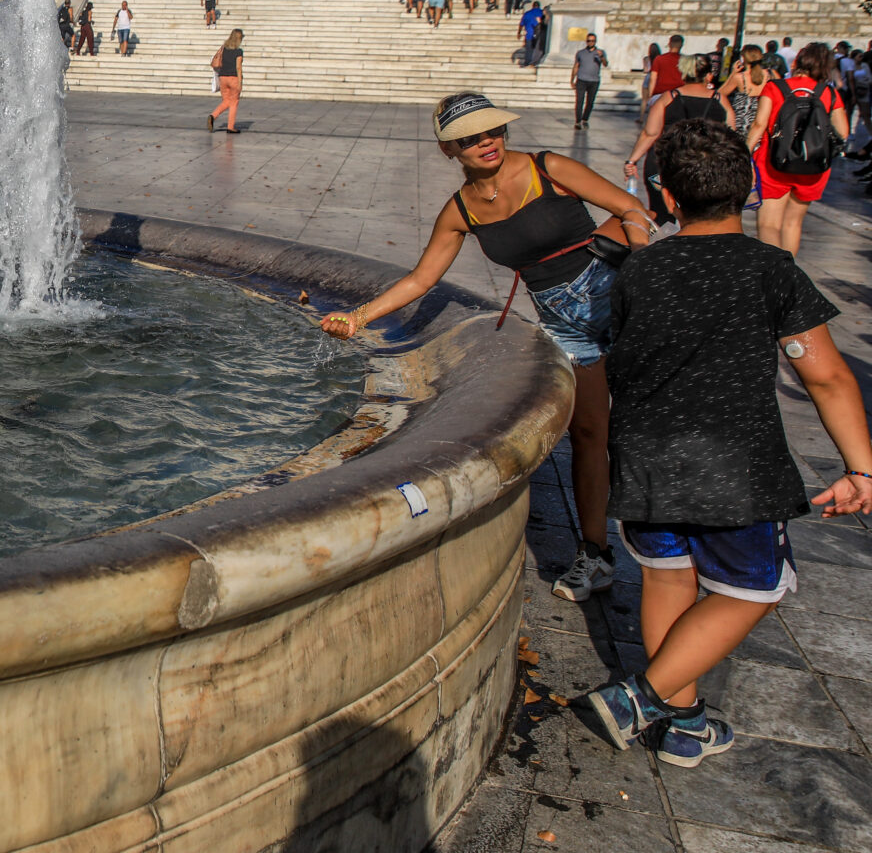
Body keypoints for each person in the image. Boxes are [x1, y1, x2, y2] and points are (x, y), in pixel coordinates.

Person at [585, 119, 872, 766]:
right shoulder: (771, 269)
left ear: (668, 195)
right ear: (746, 188)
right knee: (753, 590)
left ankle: (684, 721)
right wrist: (863, 469)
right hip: (734, 467)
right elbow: (824, 374)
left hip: (647, 459)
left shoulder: (640, 269)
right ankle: (644, 696)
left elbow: (619, 355)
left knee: (666, 579)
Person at [322, 94, 654, 599]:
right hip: (562, 320)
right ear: (449, 149)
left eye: (492, 131)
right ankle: (597, 553)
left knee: (653, 415)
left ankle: (678, 533)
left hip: (620, 290)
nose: (486, 143)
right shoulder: (459, 211)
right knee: (589, 433)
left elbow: (631, 208)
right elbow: (421, 278)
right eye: (471, 138)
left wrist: (645, 261)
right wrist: (357, 316)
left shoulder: (550, 169)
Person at [748, 41, 848, 256]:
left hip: (774, 162)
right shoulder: (829, 93)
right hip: (812, 165)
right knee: (793, 224)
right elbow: (844, 132)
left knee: (768, 225)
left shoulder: (775, 87)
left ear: (798, 61)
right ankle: (789, 275)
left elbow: (759, 125)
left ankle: (775, 274)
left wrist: (744, 154)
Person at [625, 54, 734, 223]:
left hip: (665, 163)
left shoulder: (669, 97)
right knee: (700, 217)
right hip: (703, 166)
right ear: (709, 75)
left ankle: (661, 246)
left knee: (660, 214)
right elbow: (730, 136)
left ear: (684, 74)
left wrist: (631, 161)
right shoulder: (720, 101)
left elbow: (650, 133)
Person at [720, 44, 768, 136]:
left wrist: (732, 74)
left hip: (742, 123)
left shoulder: (739, 78)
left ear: (743, 58)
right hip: (762, 121)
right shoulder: (770, 74)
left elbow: (719, 94)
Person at [571, 33, 609, 128]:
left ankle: (585, 118)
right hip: (581, 80)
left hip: (594, 81)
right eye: (589, 41)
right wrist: (572, 79)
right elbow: (576, 66)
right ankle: (578, 121)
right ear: (586, 41)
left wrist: (601, 57)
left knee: (590, 102)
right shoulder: (580, 53)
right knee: (579, 100)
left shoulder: (600, 52)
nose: (590, 42)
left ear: (595, 42)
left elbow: (605, 64)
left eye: (592, 41)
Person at [209, 28, 243, 132]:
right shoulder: (238, 51)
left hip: (223, 77)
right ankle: (230, 127)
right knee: (234, 102)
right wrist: (240, 82)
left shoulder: (224, 49)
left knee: (227, 101)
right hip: (233, 78)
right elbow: (238, 67)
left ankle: (212, 116)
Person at [649, 35, 686, 102]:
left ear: (669, 44)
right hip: (679, 94)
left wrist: (650, 95)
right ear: (681, 45)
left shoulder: (659, 59)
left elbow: (653, 79)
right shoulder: (685, 60)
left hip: (660, 94)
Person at [518, 0, 546, 65]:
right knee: (539, 49)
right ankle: (536, 62)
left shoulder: (527, 14)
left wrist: (519, 33)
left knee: (529, 50)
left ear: (532, 6)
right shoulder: (542, 13)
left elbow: (521, 24)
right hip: (540, 35)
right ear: (539, 6)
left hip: (529, 35)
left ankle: (527, 62)